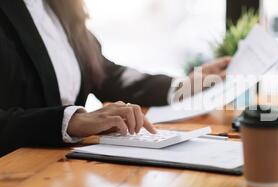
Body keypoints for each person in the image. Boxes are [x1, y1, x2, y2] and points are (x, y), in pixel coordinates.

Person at [0, 0, 231, 156]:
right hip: (18, 167)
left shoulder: (61, 7)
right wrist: (70, 120)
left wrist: (182, 85)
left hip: (63, 165)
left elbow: (105, 73)